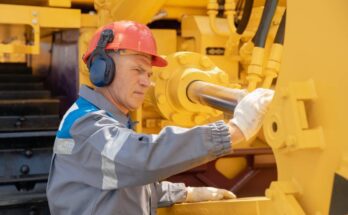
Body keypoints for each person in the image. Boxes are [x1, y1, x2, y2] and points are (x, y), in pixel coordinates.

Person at [46, 21, 274, 215]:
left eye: (149, 74)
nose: (146, 82)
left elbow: (124, 185)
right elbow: (140, 160)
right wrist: (232, 132)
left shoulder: (107, 121)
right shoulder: (87, 125)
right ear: (102, 70)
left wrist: (185, 193)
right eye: (137, 70)